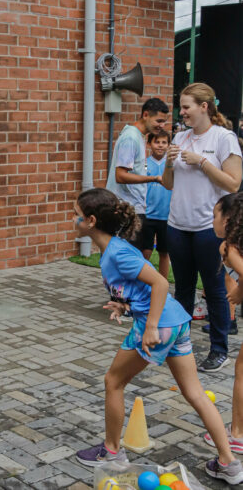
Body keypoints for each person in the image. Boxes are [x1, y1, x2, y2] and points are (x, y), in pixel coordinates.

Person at [73, 188, 243, 485]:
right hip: (177, 322)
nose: (72, 219)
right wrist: (124, 306)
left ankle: (112, 452)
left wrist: (150, 326)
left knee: (113, 382)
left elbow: (161, 283)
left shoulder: (117, 252)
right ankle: (229, 463)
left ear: (90, 221)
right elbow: (141, 289)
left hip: (161, 324)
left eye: (75, 214)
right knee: (195, 393)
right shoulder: (113, 250)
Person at [162, 83, 242, 372]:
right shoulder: (180, 137)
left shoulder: (224, 138)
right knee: (182, 289)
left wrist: (202, 162)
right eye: (181, 107)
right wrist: (169, 165)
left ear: (204, 107)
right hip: (177, 225)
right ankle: (178, 344)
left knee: (215, 289)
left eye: (186, 107)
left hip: (209, 228)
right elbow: (168, 184)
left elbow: (233, 183)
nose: (181, 112)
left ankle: (219, 350)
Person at [203, 192, 243, 459]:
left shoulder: (229, 247)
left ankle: (237, 434)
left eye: (214, 214)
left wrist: (239, 293)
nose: (212, 220)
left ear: (227, 219)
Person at [106, 98, 169, 250]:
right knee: (123, 260)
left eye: (164, 122)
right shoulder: (131, 138)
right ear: (146, 115)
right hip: (125, 209)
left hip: (134, 208)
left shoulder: (137, 136)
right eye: (159, 121)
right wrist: (154, 178)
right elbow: (120, 176)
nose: (162, 126)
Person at [143, 130, 172, 279]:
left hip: (167, 216)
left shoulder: (171, 165)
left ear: (168, 144)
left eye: (164, 142)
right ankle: (142, 285)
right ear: (149, 144)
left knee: (164, 253)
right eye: (157, 142)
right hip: (147, 215)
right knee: (145, 252)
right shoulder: (145, 163)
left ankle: (163, 285)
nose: (160, 146)